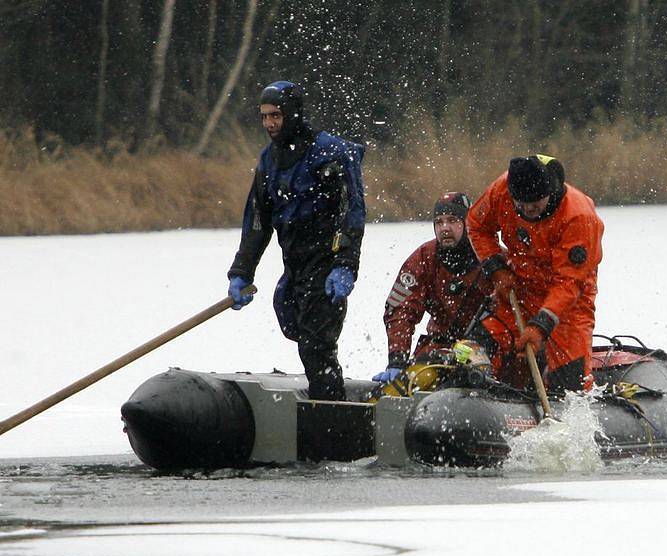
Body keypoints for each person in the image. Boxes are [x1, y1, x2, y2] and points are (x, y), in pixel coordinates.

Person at [227, 80, 365, 401]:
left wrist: (345, 265)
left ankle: (330, 411)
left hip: (327, 263)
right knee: (293, 324)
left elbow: (352, 212)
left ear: (292, 113)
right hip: (294, 266)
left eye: (275, 116)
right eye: (264, 117)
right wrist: (242, 272)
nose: (269, 124)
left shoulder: (330, 151)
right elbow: (257, 222)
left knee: (316, 345)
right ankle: (325, 386)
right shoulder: (268, 161)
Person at [466, 154, 604, 391]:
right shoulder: (501, 190)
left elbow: (569, 283)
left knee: (571, 387)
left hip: (568, 305)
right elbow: (476, 225)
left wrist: (540, 325)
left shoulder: (579, 217)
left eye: (535, 204)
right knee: (474, 352)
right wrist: (497, 269)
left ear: (550, 193)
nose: (528, 210)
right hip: (518, 290)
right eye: (521, 204)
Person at [373, 192, 493, 384]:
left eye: (452, 220)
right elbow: (400, 310)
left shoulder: (491, 257)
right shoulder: (423, 258)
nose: (445, 228)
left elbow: (511, 314)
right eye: (439, 222)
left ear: (468, 223)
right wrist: (397, 359)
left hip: (486, 349)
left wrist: (481, 341)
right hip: (439, 349)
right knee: (410, 385)